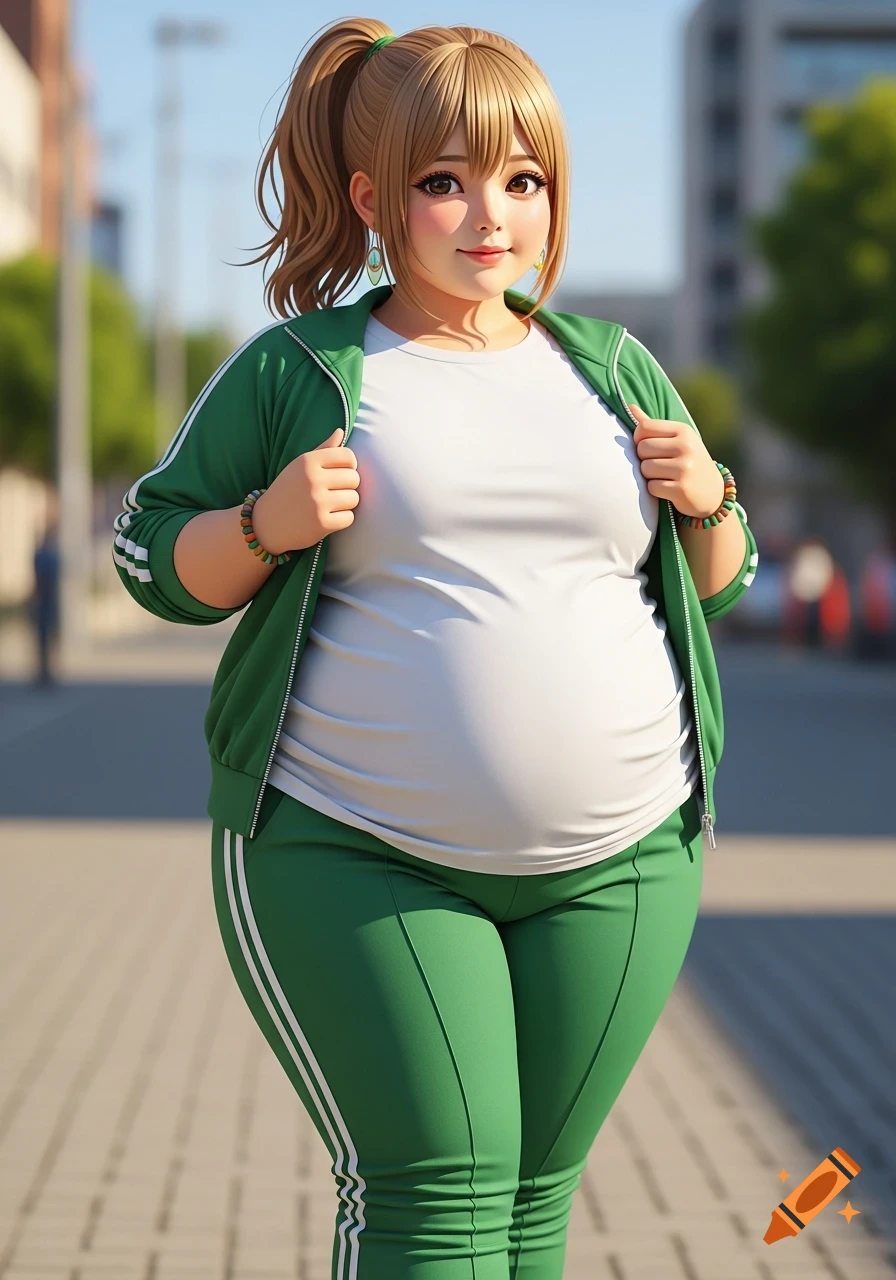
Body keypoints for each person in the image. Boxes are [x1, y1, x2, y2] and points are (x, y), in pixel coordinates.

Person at [112, 19, 759, 1278]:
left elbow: (713, 588)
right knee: (435, 1204)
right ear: (371, 198)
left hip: (624, 861)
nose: (489, 218)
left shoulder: (614, 365)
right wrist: (262, 523)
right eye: (443, 182)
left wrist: (709, 505)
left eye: (522, 182)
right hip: (358, 851)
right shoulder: (302, 368)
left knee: (528, 1209)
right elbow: (149, 553)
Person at [31, 511, 60, 686]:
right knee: (45, 638)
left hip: (45, 601)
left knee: (45, 639)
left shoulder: (43, 555)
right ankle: (45, 672)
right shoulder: (50, 555)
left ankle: (46, 672)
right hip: (47, 602)